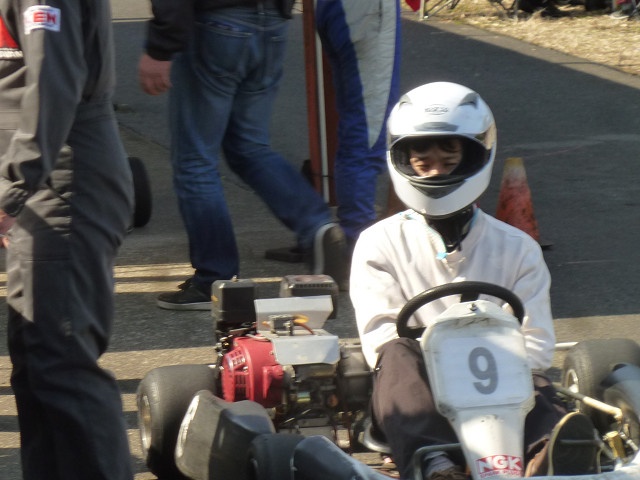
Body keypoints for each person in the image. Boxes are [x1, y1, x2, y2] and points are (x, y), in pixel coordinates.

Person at [350, 82, 591, 479]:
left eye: (449, 155)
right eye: (422, 156)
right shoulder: (379, 243)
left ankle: (547, 453)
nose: (435, 167)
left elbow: (535, 344)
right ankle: (435, 463)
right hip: (416, 389)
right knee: (396, 352)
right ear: (403, 158)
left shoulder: (517, 246)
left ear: (476, 155)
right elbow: (379, 335)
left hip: (504, 385)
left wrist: (487, 368)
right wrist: (446, 365)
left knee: (533, 379)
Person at [139, 0, 348, 309]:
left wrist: (161, 46)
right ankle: (317, 226)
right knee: (249, 146)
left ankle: (215, 278)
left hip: (217, 23)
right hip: (272, 22)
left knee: (195, 162)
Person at [0, 1, 134, 479]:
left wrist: (11, 189)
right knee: (36, 364)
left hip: (64, 182)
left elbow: (53, 84)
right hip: (43, 183)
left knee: (62, 362)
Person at [314, 0, 401, 251]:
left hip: (339, 10)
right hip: (366, 11)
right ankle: (358, 239)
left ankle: (354, 232)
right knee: (367, 135)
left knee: (356, 128)